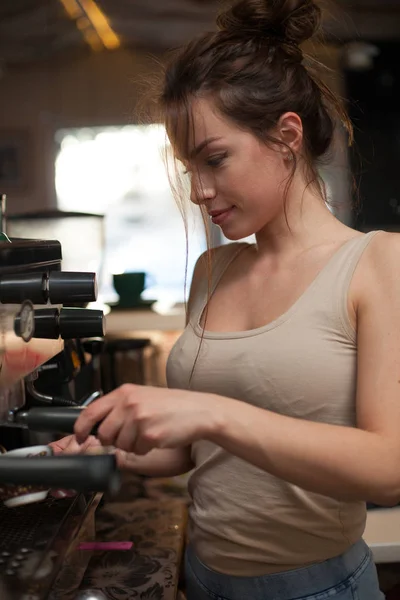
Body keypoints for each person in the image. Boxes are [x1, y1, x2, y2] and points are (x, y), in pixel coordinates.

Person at [50, 0, 400, 598]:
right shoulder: (212, 269)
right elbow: (192, 453)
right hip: (204, 578)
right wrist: (108, 449)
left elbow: (388, 469)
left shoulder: (377, 262)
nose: (198, 191)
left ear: (287, 136)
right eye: (189, 168)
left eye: (214, 159)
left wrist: (214, 412)